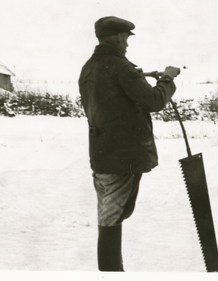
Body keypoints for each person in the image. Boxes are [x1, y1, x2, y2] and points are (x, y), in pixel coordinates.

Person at [78, 16, 180, 271]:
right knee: (113, 216)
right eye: (126, 38)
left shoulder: (89, 67)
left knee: (109, 214)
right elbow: (155, 101)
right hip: (123, 158)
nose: (127, 44)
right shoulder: (121, 67)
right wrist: (167, 78)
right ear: (118, 37)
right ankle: (111, 272)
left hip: (101, 154)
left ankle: (112, 270)